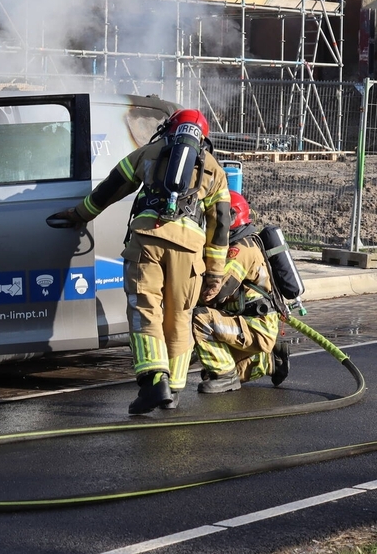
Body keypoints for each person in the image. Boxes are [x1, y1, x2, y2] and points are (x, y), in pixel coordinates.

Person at [49, 109, 232, 414]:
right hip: (189, 253)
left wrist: (80, 214)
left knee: (145, 309)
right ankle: (173, 391)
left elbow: (111, 187)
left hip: (148, 240)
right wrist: (214, 274)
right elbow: (222, 222)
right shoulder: (214, 169)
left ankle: (153, 382)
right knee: (180, 318)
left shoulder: (149, 152)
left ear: (169, 129)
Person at [192, 191, 290, 394]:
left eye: (214, 217)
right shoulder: (239, 244)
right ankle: (269, 361)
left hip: (255, 327)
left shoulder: (240, 250)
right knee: (209, 372)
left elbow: (216, 292)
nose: (210, 223)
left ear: (231, 218)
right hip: (245, 322)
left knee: (199, 318)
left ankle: (227, 377)